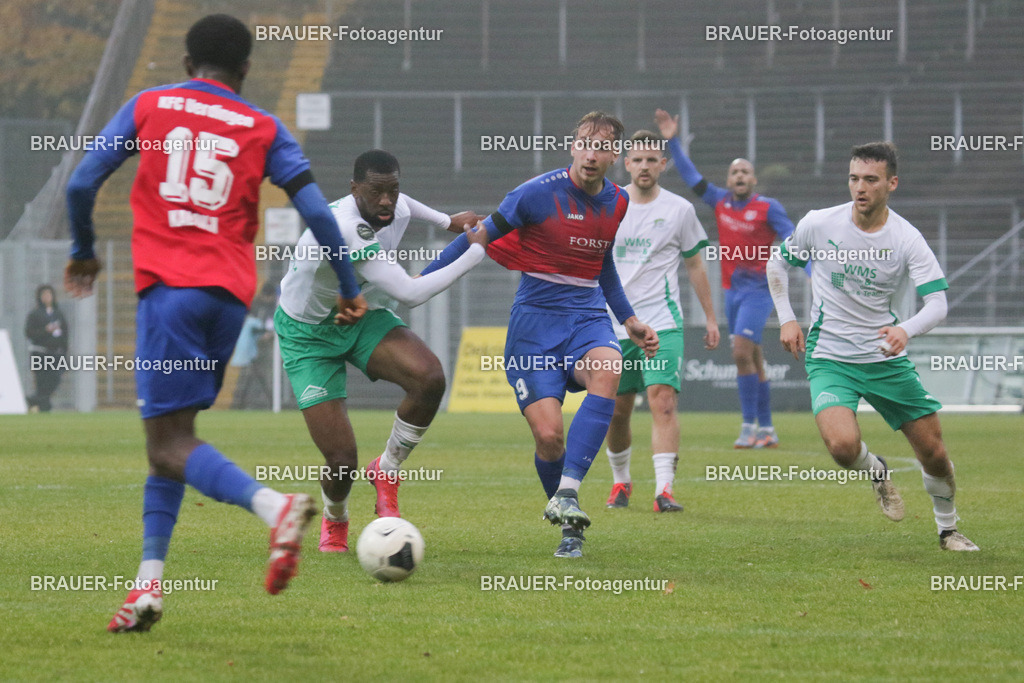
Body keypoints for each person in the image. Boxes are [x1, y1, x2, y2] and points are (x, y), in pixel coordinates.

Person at [64, 14, 368, 633]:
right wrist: (350, 283)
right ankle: (147, 588)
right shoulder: (264, 125)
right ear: (247, 70)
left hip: (170, 295)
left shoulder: (151, 104)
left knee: (169, 442)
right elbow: (314, 208)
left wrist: (84, 252)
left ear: (186, 63)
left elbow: (80, 182)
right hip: (228, 300)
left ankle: (275, 507)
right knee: (171, 447)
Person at [423, 112, 659, 558]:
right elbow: (477, 237)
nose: (592, 153)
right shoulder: (535, 194)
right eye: (584, 143)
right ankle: (570, 527)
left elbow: (600, 261)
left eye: (602, 146)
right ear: (572, 146)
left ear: (615, 155)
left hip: (587, 315)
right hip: (535, 323)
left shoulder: (618, 202)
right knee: (550, 437)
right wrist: (417, 285)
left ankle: (568, 491)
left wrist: (626, 319)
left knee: (610, 368)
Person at [766, 141, 978, 552]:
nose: (860, 187)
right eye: (854, 178)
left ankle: (948, 529)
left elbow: (938, 304)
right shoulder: (819, 223)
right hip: (830, 356)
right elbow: (778, 262)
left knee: (933, 453)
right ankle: (876, 470)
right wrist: (788, 317)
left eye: (870, 179)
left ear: (891, 183)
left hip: (885, 359)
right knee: (843, 448)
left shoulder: (906, 238)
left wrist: (907, 330)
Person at [276, 149, 487, 553]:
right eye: (376, 192)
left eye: (392, 189)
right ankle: (335, 518)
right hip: (307, 336)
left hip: (360, 316)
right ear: (355, 190)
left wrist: (447, 222)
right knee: (341, 459)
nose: (386, 201)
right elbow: (409, 294)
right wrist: (476, 250)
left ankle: (386, 470)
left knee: (429, 378)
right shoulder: (346, 226)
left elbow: (406, 205)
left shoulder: (392, 204)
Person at [655, 108, 796, 449]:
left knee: (739, 351)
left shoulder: (767, 207)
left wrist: (803, 265)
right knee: (753, 356)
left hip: (760, 290)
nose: (739, 176)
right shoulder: (719, 202)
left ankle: (748, 426)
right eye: (734, 172)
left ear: (754, 180)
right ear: (729, 179)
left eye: (745, 172)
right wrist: (672, 141)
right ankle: (767, 429)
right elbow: (691, 178)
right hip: (731, 291)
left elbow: (793, 237)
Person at [603, 131, 720, 512]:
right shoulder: (608, 202)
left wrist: (710, 317)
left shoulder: (679, 210)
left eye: (652, 160)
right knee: (616, 411)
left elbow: (694, 264)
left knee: (663, 402)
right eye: (637, 160)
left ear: (663, 165)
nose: (644, 166)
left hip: (662, 322)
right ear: (626, 162)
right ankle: (621, 482)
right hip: (613, 323)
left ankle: (664, 490)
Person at [24, 284, 69, 412]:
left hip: (55, 354)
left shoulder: (58, 314)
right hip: (40, 353)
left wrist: (64, 352)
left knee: (55, 379)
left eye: (49, 294)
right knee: (41, 382)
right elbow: (29, 333)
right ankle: (43, 407)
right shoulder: (34, 314)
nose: (47, 297)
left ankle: (33, 400)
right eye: (44, 295)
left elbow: (65, 334)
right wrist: (46, 331)